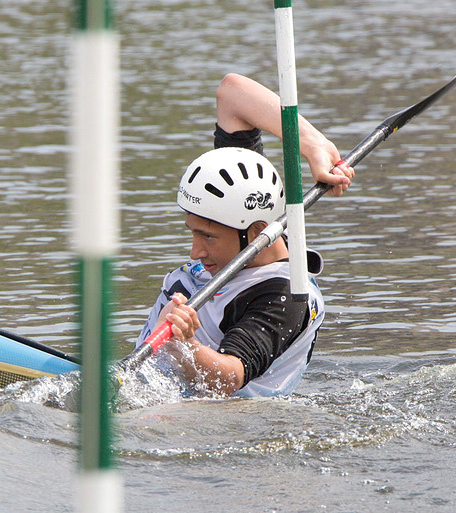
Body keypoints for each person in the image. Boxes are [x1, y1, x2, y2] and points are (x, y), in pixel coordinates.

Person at [135, 73, 355, 397]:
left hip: (208, 421)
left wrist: (182, 345)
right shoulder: (243, 202)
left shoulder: (288, 297)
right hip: (148, 387)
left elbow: (230, 377)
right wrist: (313, 146)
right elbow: (232, 92)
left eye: (207, 237)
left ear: (256, 233)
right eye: (192, 233)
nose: (195, 252)